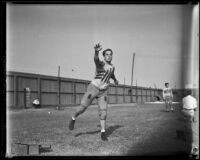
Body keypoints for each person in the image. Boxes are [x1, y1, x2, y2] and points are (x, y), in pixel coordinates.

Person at [68, 43, 119, 141]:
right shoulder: (101, 64)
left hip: (103, 91)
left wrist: (115, 80)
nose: (109, 56)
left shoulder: (112, 67)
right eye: (107, 54)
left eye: (110, 54)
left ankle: (103, 132)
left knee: (104, 112)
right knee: (82, 108)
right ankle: (73, 118)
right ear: (104, 56)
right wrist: (96, 51)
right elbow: (96, 59)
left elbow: (111, 74)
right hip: (93, 88)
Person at [182, 89, 198, 158]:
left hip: (185, 112)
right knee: (192, 126)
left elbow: (183, 106)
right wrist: (194, 116)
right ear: (191, 93)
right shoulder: (194, 99)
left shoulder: (183, 98)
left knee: (186, 123)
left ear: (186, 93)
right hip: (191, 112)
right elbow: (195, 109)